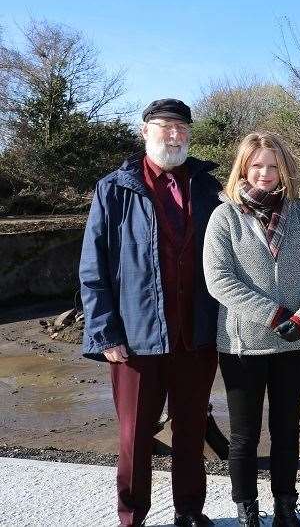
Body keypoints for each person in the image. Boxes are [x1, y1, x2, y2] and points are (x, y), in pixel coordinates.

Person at [80, 98, 222, 527]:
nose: (174, 135)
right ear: (145, 132)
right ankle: (132, 515)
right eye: (165, 126)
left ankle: (189, 511)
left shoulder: (209, 187)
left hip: (196, 334)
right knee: (135, 436)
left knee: (191, 431)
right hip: (135, 337)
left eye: (182, 128)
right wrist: (104, 333)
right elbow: (93, 267)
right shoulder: (114, 188)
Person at [203, 131, 300, 527]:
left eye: (273, 166)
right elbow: (218, 279)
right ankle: (247, 510)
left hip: (294, 344)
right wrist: (275, 316)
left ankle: (285, 507)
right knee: (244, 438)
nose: (265, 173)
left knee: (287, 431)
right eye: (257, 165)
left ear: (284, 169)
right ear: (243, 167)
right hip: (243, 347)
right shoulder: (224, 216)